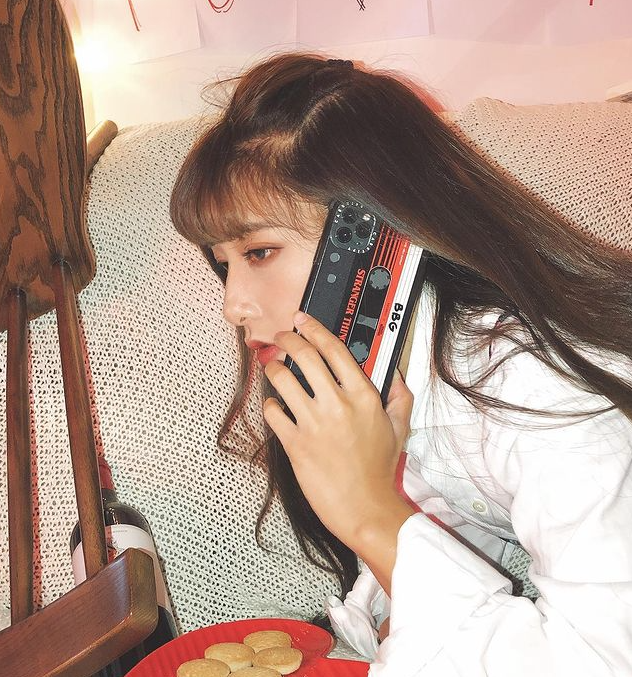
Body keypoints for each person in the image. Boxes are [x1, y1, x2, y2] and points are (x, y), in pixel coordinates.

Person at [169, 53, 632, 675]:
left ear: (378, 231)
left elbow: (599, 663)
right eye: (223, 263)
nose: (234, 304)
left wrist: (370, 513)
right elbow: (440, 550)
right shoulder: (397, 372)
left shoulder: (539, 383)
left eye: (260, 252)